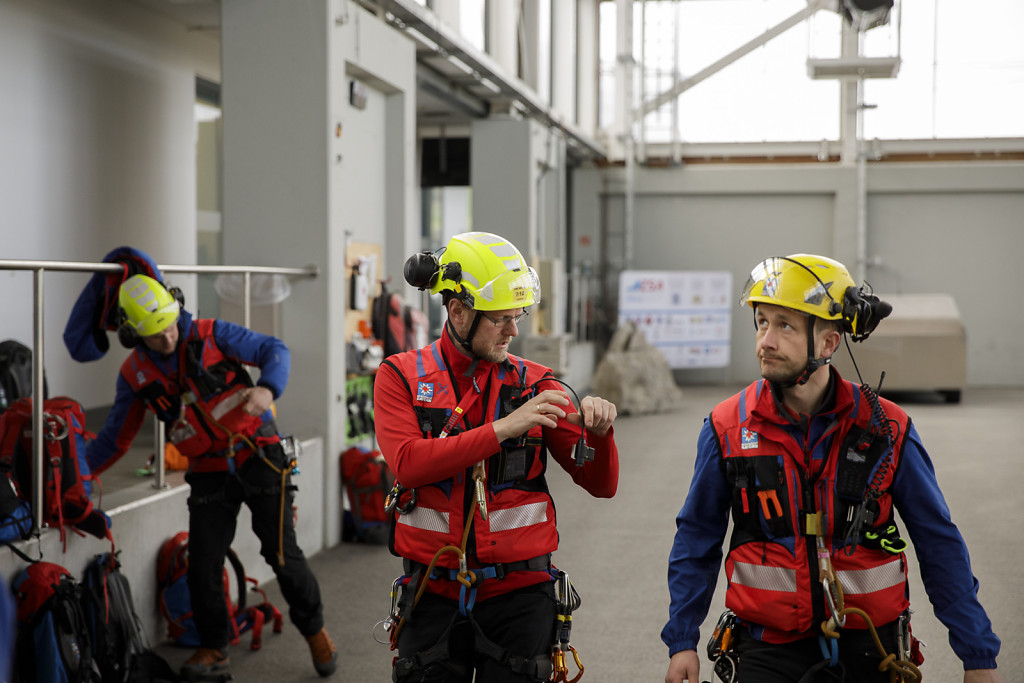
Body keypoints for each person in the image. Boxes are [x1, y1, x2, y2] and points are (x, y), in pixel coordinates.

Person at [662, 254, 1003, 683]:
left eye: (785, 325)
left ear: (828, 343)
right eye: (762, 321)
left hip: (873, 648)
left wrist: (977, 656)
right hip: (767, 649)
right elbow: (697, 538)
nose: (765, 340)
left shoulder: (888, 428)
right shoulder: (726, 427)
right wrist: (682, 642)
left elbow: (938, 541)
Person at [374, 231, 620, 682]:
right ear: (458, 311)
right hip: (431, 591)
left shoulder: (538, 385)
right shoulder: (399, 376)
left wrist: (601, 437)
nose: (515, 330)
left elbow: (601, 485)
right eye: (501, 319)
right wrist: (505, 428)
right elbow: (408, 463)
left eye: (518, 316)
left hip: (521, 596)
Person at [86, 274, 337, 681]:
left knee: (282, 556)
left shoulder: (213, 334)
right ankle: (214, 646)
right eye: (155, 336)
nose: (168, 340)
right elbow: (113, 440)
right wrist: (75, 476)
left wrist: (268, 390)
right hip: (208, 470)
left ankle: (315, 632)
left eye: (169, 327)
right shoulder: (135, 376)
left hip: (259, 455)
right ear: (133, 335)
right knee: (203, 564)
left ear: (177, 309)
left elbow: (273, 349)